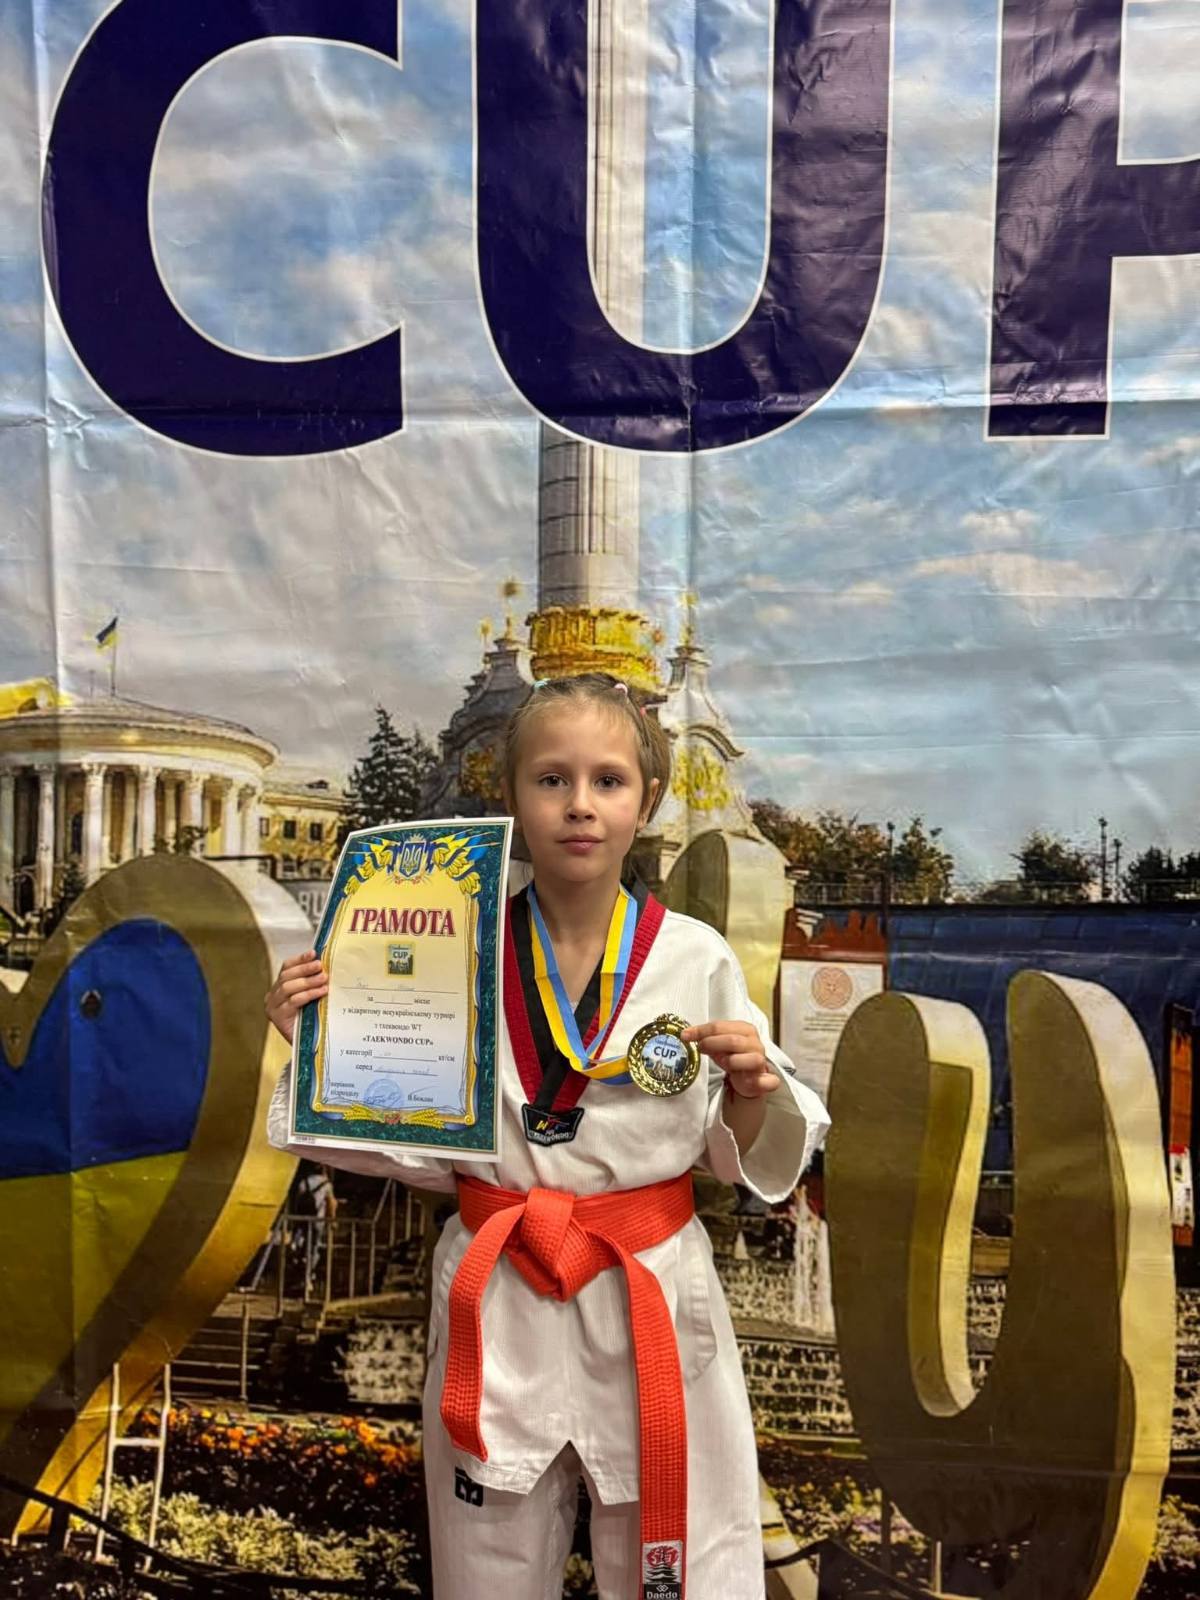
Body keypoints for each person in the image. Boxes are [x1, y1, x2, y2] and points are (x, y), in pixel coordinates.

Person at [264, 673, 829, 1600]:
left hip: (645, 1284)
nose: (580, 805)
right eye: (552, 779)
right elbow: (415, 1139)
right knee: (484, 1563)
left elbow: (735, 1153)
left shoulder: (695, 957)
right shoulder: (452, 953)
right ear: (511, 795)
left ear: (648, 800)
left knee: (680, 1560)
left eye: (609, 781)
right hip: (503, 1286)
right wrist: (322, 1046)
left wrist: (749, 1093)